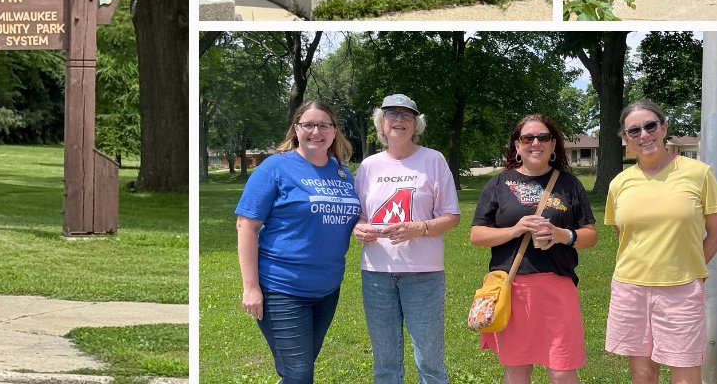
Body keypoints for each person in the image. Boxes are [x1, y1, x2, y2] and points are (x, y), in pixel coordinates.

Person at [235, 100, 361, 384]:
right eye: (309, 125)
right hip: (282, 289)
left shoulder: (341, 171)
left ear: (334, 131)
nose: (316, 131)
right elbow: (246, 226)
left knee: (298, 370)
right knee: (299, 374)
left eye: (324, 125)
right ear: (296, 129)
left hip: (327, 290)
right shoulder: (276, 168)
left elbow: (350, 216)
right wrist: (251, 287)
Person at [604, 99, 717, 384]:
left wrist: (689, 269)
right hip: (630, 288)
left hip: (681, 291)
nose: (644, 135)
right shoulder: (619, 183)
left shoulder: (699, 173)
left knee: (685, 374)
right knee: (642, 373)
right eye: (634, 131)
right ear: (626, 140)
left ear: (664, 128)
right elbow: (624, 236)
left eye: (650, 126)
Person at [471, 113, 597, 384]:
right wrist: (515, 230)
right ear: (517, 146)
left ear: (553, 145)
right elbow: (476, 235)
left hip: (557, 288)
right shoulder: (498, 184)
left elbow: (590, 235)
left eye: (543, 137)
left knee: (562, 370)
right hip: (513, 289)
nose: (535, 143)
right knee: (517, 371)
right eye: (527, 137)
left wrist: (561, 234)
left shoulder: (569, 184)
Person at [353, 93, 461, 384]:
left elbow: (452, 215)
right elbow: (359, 215)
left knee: (429, 360)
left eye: (406, 115)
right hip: (376, 274)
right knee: (385, 363)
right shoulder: (368, 166)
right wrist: (358, 228)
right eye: (392, 114)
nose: (398, 119)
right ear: (381, 122)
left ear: (416, 124)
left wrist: (421, 228)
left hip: (423, 274)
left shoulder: (433, 160)